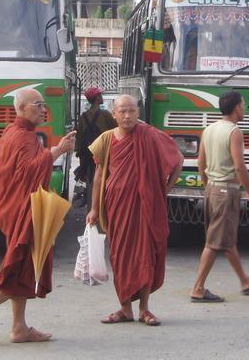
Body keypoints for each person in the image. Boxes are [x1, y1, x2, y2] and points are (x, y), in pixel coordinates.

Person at [0, 88, 75, 345]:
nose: (43, 109)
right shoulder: (23, 137)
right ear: (22, 108)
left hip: (16, 207)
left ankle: (19, 327)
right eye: (38, 104)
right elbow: (27, 173)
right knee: (20, 269)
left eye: (44, 104)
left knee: (24, 266)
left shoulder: (15, 132)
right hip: (23, 210)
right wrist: (58, 151)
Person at [86, 94, 183, 326]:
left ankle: (144, 309)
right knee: (119, 256)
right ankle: (125, 308)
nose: (128, 116)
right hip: (116, 205)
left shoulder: (149, 135)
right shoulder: (106, 139)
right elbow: (100, 175)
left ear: (138, 112)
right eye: (123, 111)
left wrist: (164, 189)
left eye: (132, 111)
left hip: (144, 206)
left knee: (144, 255)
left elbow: (178, 158)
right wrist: (93, 208)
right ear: (114, 114)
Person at [190, 91, 249, 303]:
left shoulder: (209, 129)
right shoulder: (234, 132)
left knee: (227, 239)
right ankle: (198, 288)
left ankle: (245, 281)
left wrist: (208, 187)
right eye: (243, 104)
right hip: (226, 191)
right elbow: (240, 167)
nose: (245, 109)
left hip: (213, 190)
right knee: (214, 242)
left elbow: (200, 164)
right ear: (236, 107)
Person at [74, 87, 116, 209]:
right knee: (104, 181)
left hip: (87, 156)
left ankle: (91, 209)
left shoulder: (83, 116)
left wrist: (81, 156)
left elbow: (79, 137)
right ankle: (103, 209)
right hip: (103, 155)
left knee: (90, 182)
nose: (102, 97)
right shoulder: (106, 114)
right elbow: (116, 131)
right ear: (97, 98)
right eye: (100, 95)